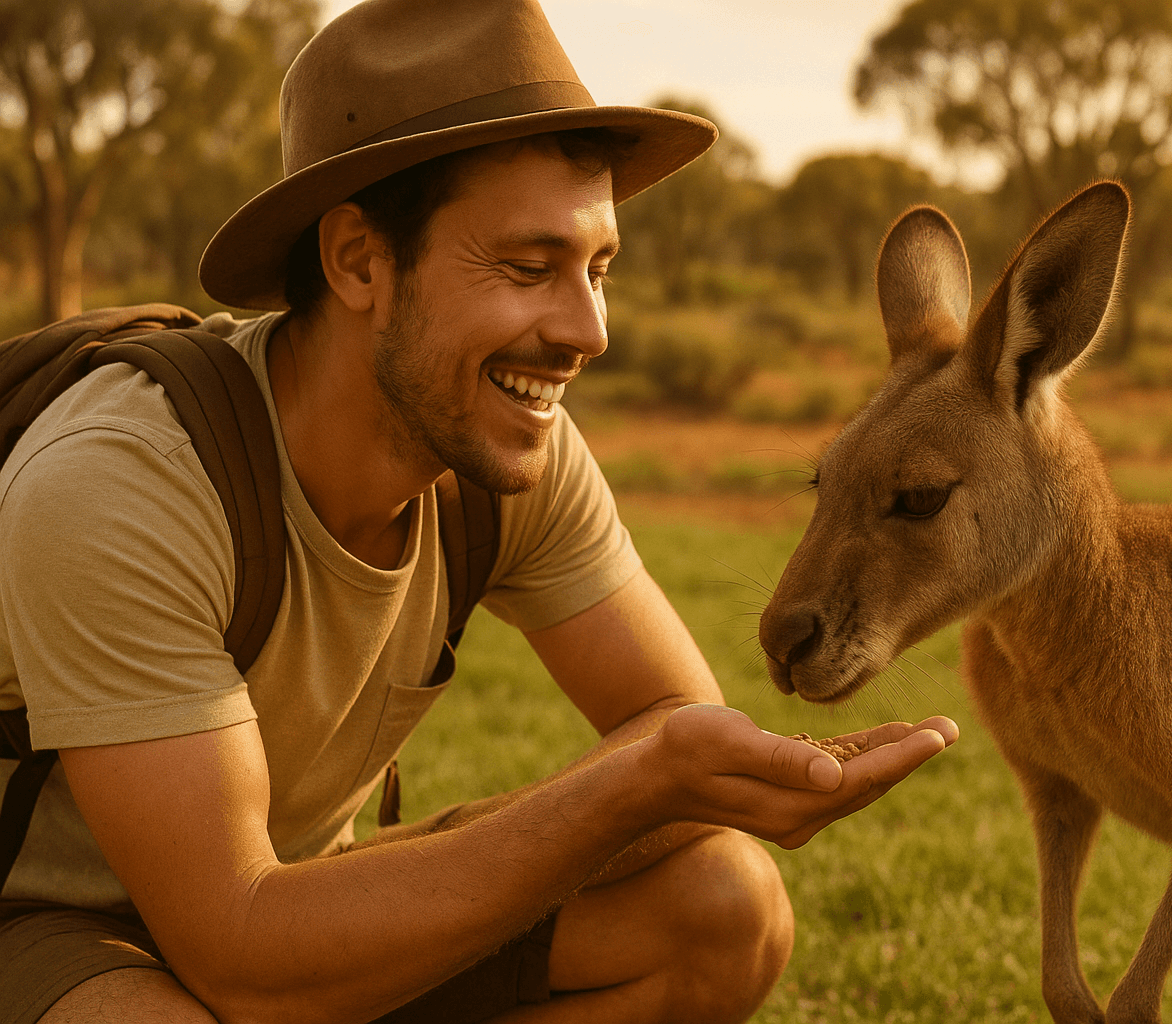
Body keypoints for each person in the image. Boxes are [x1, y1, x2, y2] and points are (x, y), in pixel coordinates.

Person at [0, 1, 958, 1022]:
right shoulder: (124, 481)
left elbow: (672, 723)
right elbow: (238, 947)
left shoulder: (501, 439)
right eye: (528, 266)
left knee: (725, 904)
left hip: (282, 897)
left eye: (599, 268)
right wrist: (635, 784)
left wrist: (665, 773)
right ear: (359, 261)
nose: (588, 330)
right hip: (55, 924)